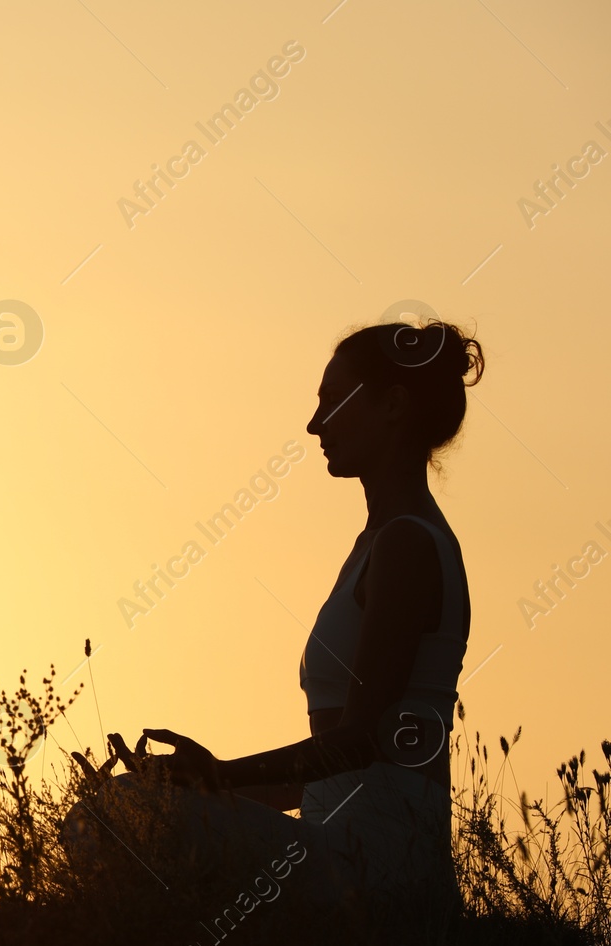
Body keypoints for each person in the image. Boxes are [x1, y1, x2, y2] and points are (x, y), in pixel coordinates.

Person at [63, 318, 485, 903]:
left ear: (392, 406)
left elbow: (361, 741)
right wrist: (199, 791)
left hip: (379, 871)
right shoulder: (378, 544)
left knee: (111, 815)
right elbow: (331, 771)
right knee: (130, 813)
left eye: (332, 402)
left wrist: (219, 776)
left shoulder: (407, 545)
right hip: (336, 846)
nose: (315, 424)